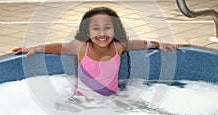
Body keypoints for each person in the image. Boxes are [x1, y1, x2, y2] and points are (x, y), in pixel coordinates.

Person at [12, 7, 178, 98]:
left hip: (112, 100)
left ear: (115, 29)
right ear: (87, 31)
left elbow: (136, 44)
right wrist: (37, 48)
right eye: (95, 28)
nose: (102, 33)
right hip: (83, 101)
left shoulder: (118, 46)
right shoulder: (80, 47)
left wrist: (157, 44)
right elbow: (60, 48)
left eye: (107, 28)